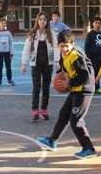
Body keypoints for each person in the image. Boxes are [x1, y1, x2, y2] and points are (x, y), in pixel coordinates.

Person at [36, 30, 97, 159]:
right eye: (61, 46)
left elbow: (85, 76)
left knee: (76, 120)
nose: (64, 49)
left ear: (72, 44)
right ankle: (52, 141)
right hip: (76, 88)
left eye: (66, 46)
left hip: (84, 90)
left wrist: (69, 83)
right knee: (64, 114)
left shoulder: (76, 56)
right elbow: (64, 69)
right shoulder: (64, 54)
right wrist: (59, 78)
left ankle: (89, 148)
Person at [21, 12, 59, 121]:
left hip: (48, 64)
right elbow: (26, 49)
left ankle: (44, 110)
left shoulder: (51, 34)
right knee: (36, 87)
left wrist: (57, 61)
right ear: (37, 21)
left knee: (46, 88)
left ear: (47, 22)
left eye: (44, 20)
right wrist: (24, 63)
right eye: (40, 19)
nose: (42, 21)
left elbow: (56, 48)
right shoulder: (33, 34)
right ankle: (35, 111)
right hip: (36, 64)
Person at [84, 17, 101, 95]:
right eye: (96, 23)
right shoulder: (90, 34)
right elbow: (86, 47)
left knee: (99, 73)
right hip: (93, 58)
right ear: (93, 24)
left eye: (99, 23)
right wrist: (88, 57)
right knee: (93, 73)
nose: (98, 25)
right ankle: (93, 88)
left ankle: (97, 87)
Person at [0, 17, 15, 87]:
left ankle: (10, 79)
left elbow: (11, 43)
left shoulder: (8, 33)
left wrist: (11, 52)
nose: (3, 24)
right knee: (0, 67)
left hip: (7, 52)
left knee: (8, 67)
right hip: (0, 53)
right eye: (2, 23)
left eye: (4, 23)